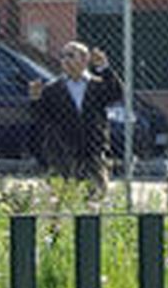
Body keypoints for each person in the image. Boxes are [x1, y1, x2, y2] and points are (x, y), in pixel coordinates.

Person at [29, 41, 125, 189]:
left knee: (95, 197)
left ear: (85, 59)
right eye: (62, 56)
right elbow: (40, 117)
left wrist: (104, 68)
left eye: (71, 55)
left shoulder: (96, 85)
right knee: (64, 198)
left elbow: (117, 93)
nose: (65, 60)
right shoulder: (53, 89)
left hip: (92, 152)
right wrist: (35, 99)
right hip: (63, 155)